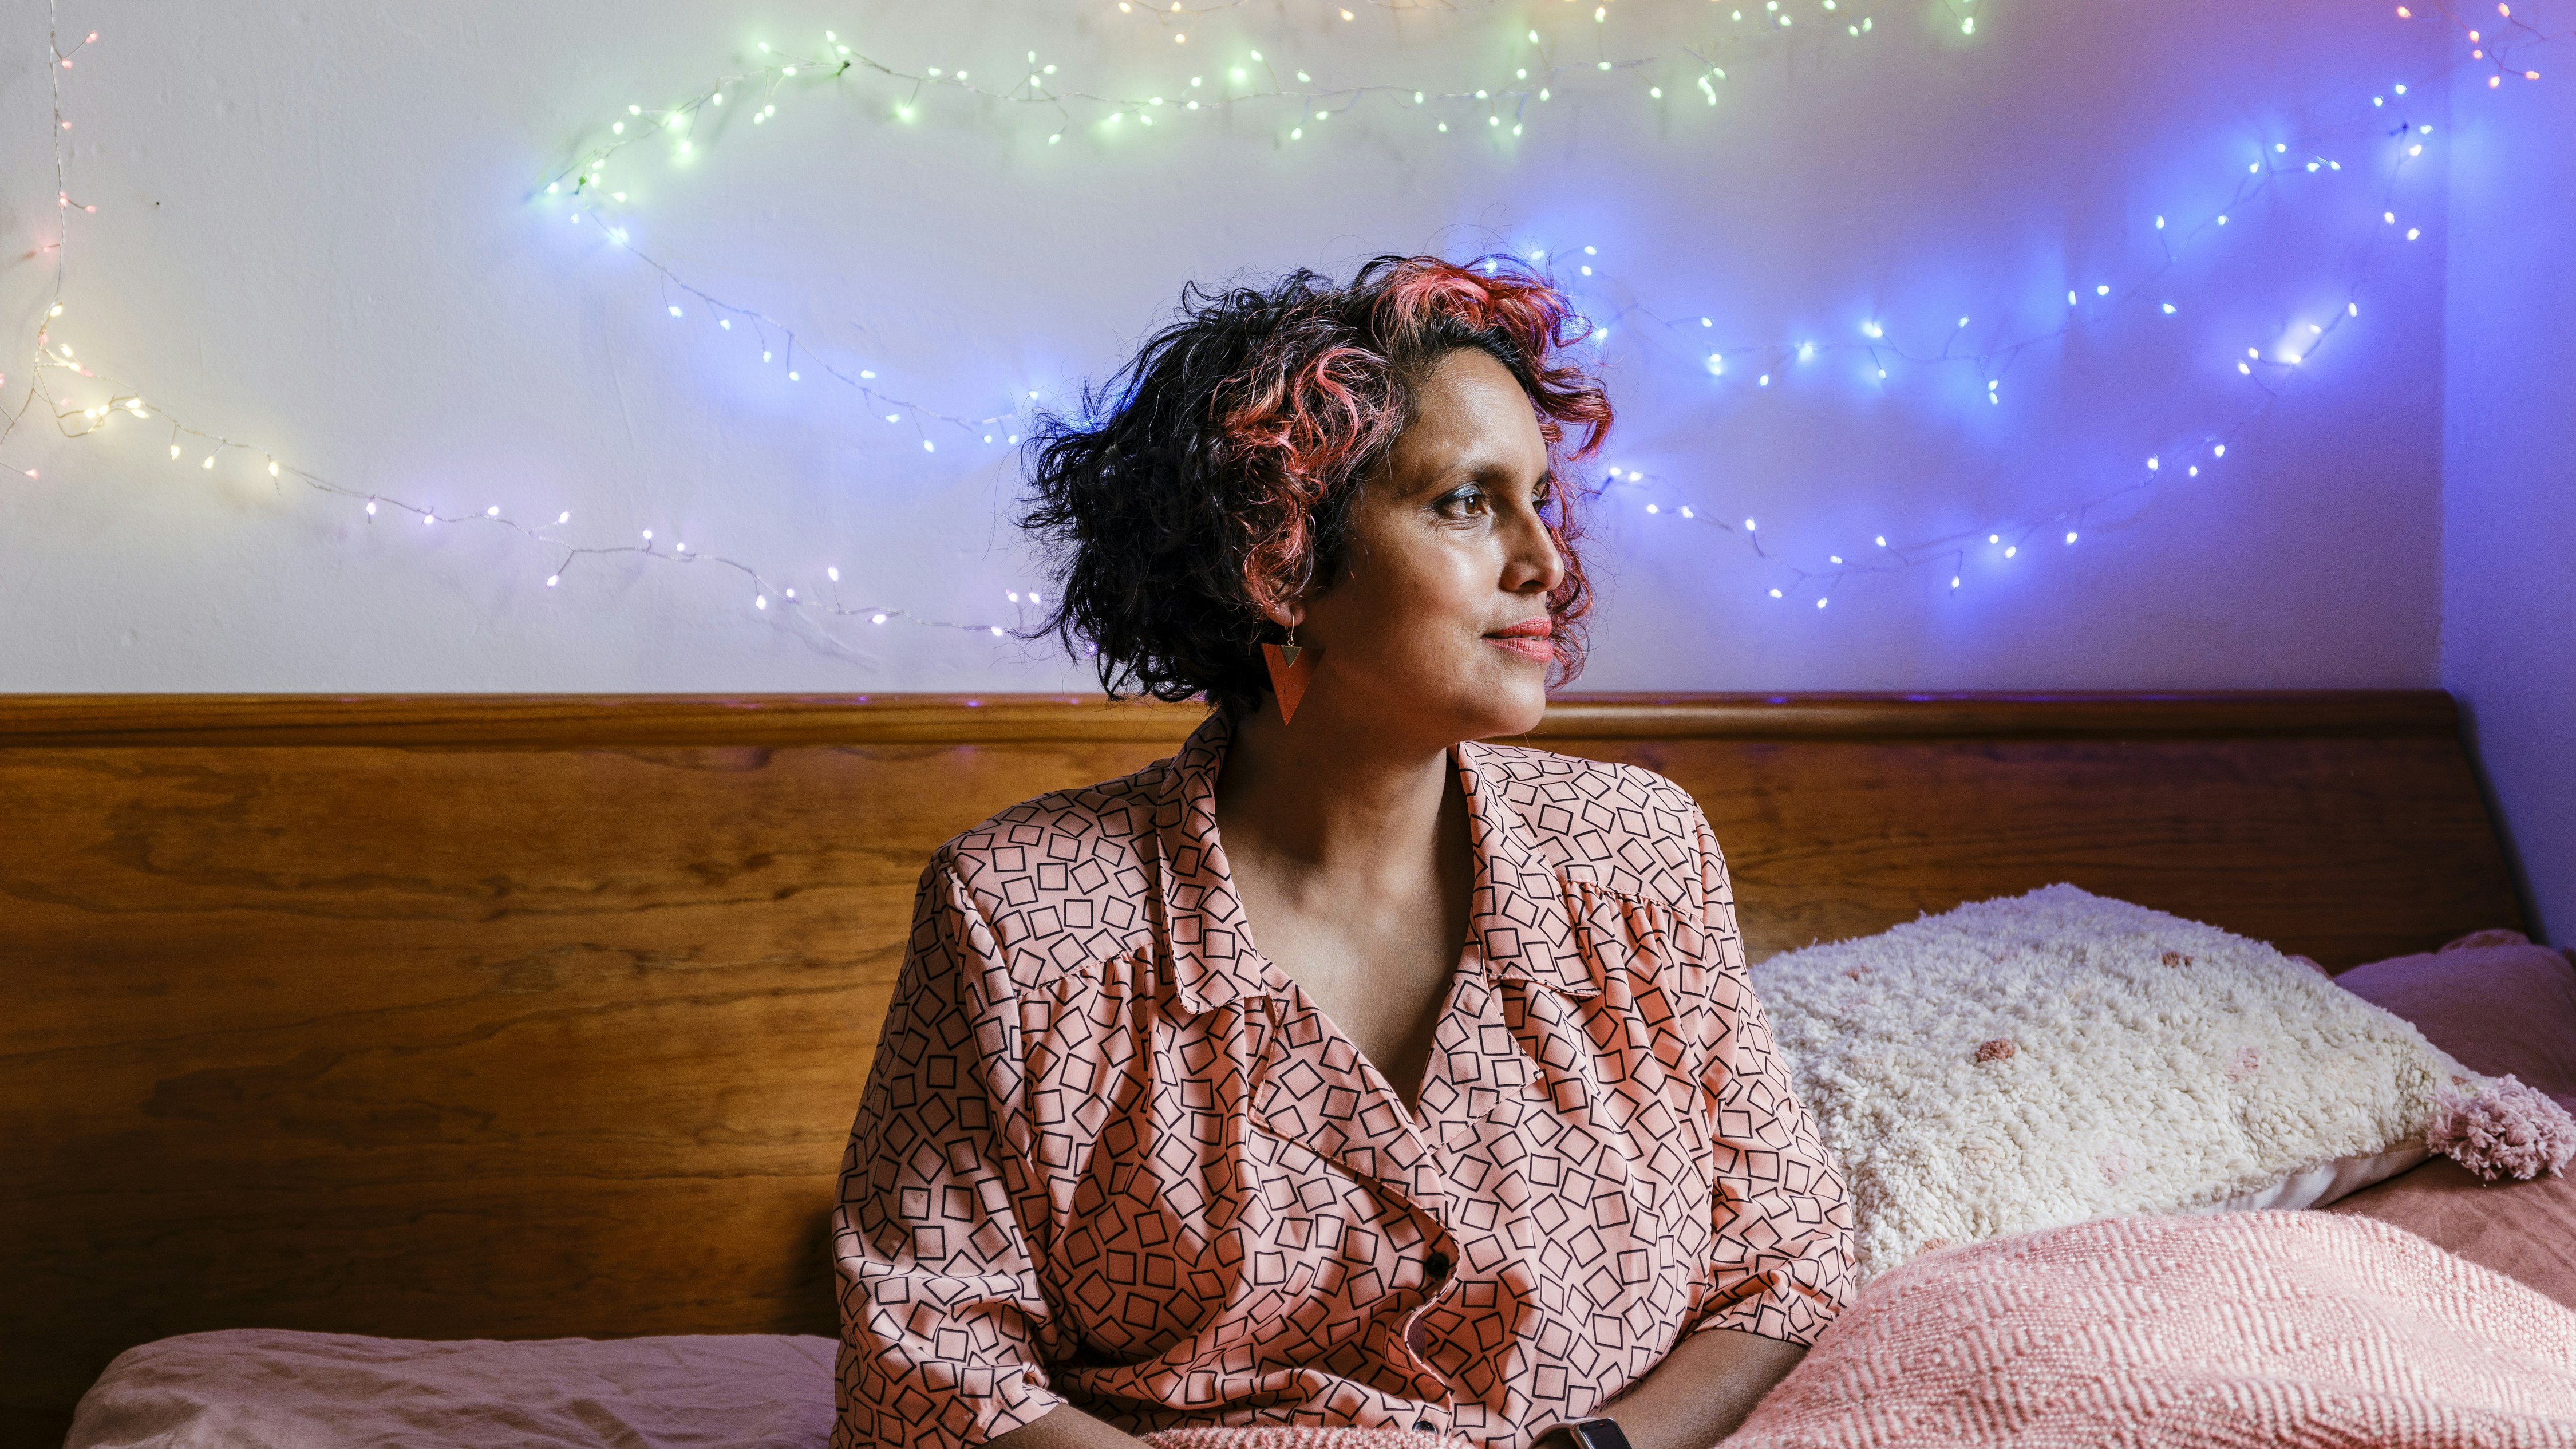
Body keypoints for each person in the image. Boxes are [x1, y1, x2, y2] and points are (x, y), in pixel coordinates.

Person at [829, 255, 1853, 1449]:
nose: (1548, 564)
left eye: (1538, 499)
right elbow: (928, 1358)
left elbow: (1785, 1259)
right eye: (1467, 502)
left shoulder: (1638, 854)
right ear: (1283, 556)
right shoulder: (1024, 915)